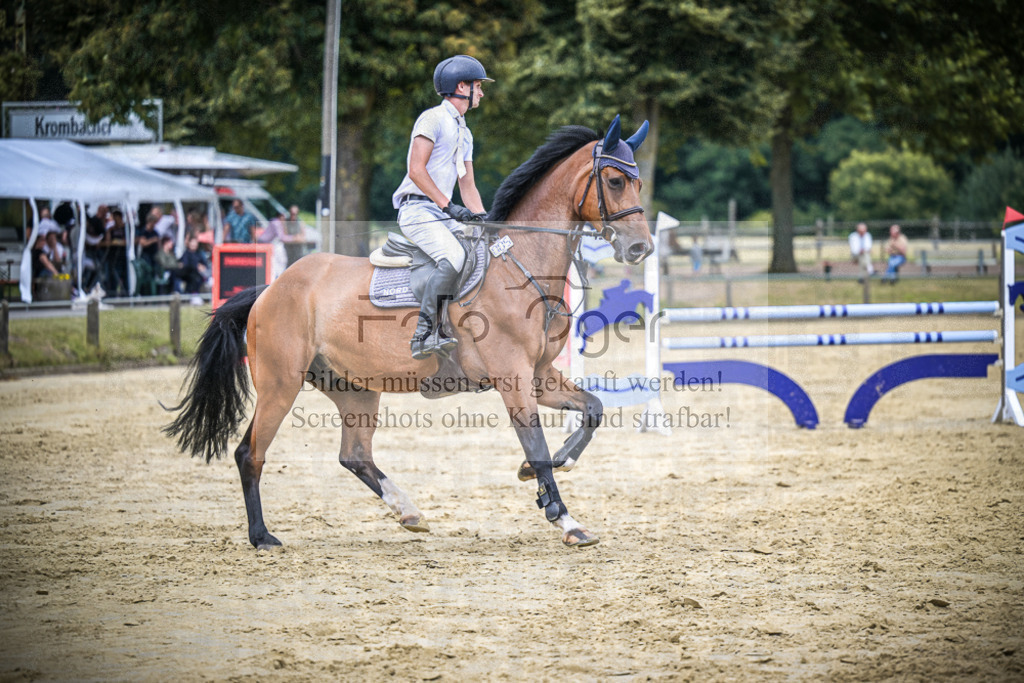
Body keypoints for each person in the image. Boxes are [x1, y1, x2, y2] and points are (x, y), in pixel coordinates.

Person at [391, 54, 492, 359]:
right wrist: (448, 206)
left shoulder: (465, 132)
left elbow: (468, 186)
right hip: (418, 210)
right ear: (461, 87)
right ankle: (423, 334)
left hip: (441, 213)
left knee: (482, 251)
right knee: (454, 256)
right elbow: (416, 170)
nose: (482, 92)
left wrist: (486, 221)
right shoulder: (432, 118)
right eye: (478, 86)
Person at [102, 209, 129, 296]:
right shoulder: (111, 229)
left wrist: (120, 242)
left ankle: (126, 293)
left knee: (125, 275)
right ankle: (113, 293)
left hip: (124, 255)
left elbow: (129, 240)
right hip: (114, 256)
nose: (116, 221)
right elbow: (107, 242)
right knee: (113, 275)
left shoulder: (126, 228)